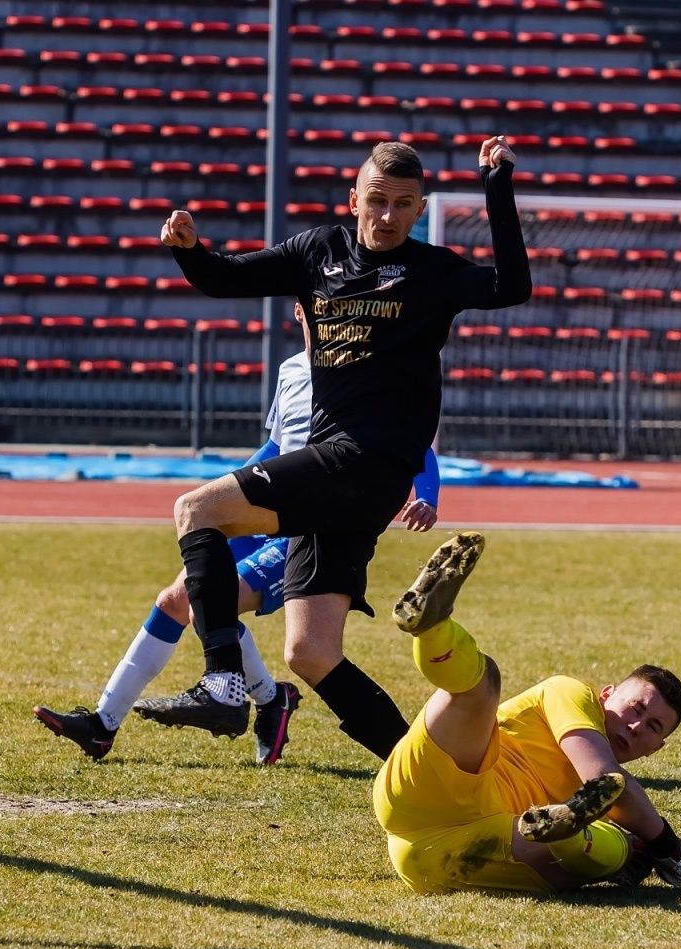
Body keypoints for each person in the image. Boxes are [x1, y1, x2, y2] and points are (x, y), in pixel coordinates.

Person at [150, 138, 529, 762]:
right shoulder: (317, 251)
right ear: (354, 200)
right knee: (310, 652)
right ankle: (433, 771)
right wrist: (188, 249)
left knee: (196, 510)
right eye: (377, 201)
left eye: (403, 204)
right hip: (340, 479)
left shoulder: (432, 270)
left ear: (421, 209)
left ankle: (222, 682)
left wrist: (497, 186)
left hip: (367, 462)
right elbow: (224, 278)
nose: (387, 215)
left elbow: (511, 285)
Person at [32, 304, 443, 762]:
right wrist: (230, 491)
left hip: (305, 526)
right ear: (301, 313)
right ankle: (104, 724)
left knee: (219, 611)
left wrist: (427, 495)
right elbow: (277, 444)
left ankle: (261, 698)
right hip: (268, 507)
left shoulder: (359, 371)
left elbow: (409, 442)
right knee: (176, 601)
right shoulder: (291, 370)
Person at [374, 531, 681, 894]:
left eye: (653, 727)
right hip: (439, 789)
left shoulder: (614, 807)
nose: (636, 726)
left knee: (598, 847)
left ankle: (581, 836)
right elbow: (603, 776)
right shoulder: (570, 691)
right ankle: (433, 629)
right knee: (481, 686)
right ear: (607, 694)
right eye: (635, 708)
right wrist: (665, 844)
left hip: (435, 859)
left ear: (656, 749)